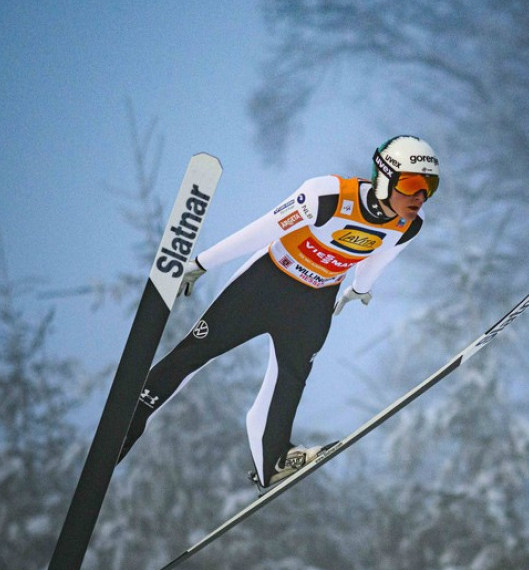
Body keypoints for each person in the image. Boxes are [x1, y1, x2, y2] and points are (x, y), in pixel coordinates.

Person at [117, 135, 440, 489]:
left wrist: (359, 289)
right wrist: (201, 263)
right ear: (384, 178)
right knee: (196, 352)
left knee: (292, 376)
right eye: (412, 185)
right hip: (266, 285)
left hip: (315, 301)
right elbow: (262, 229)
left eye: (429, 188)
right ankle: (129, 419)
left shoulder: (409, 225)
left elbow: (380, 255)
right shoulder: (328, 195)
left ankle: (272, 459)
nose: (419, 197)